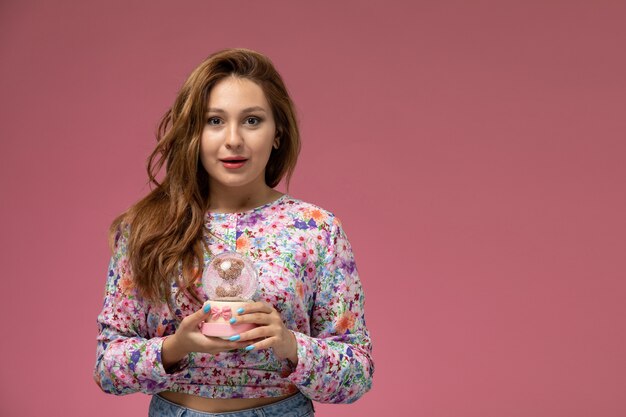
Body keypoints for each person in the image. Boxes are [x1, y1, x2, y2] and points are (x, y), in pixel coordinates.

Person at [94, 48, 374, 417]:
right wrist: (175, 347)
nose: (233, 139)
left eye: (252, 120)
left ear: (278, 133)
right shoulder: (146, 228)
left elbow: (358, 372)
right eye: (214, 121)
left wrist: (291, 345)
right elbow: (106, 367)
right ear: (193, 133)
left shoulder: (315, 228)